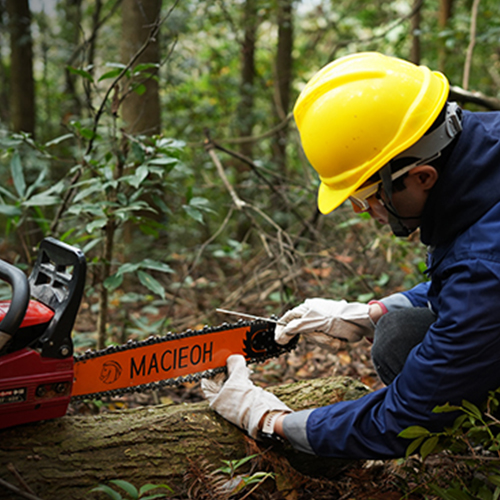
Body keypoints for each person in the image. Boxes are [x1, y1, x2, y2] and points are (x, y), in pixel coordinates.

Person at [202, 52, 500, 458]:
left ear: (422, 177)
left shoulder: (485, 262)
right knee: (398, 333)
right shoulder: (484, 150)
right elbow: (468, 284)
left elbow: (404, 417)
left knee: (411, 355)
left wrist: (270, 421)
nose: (366, 213)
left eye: (366, 197)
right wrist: (368, 312)